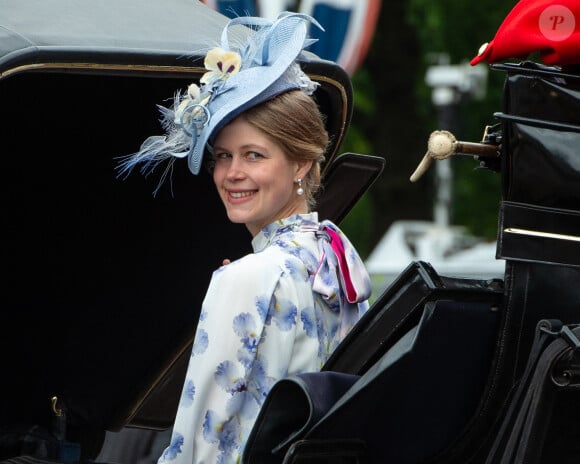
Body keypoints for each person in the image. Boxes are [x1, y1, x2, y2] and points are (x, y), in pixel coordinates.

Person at [118, 12, 371, 464]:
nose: (231, 174)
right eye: (222, 156)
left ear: (301, 164)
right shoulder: (334, 253)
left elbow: (202, 441)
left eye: (253, 155)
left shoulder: (250, 277)